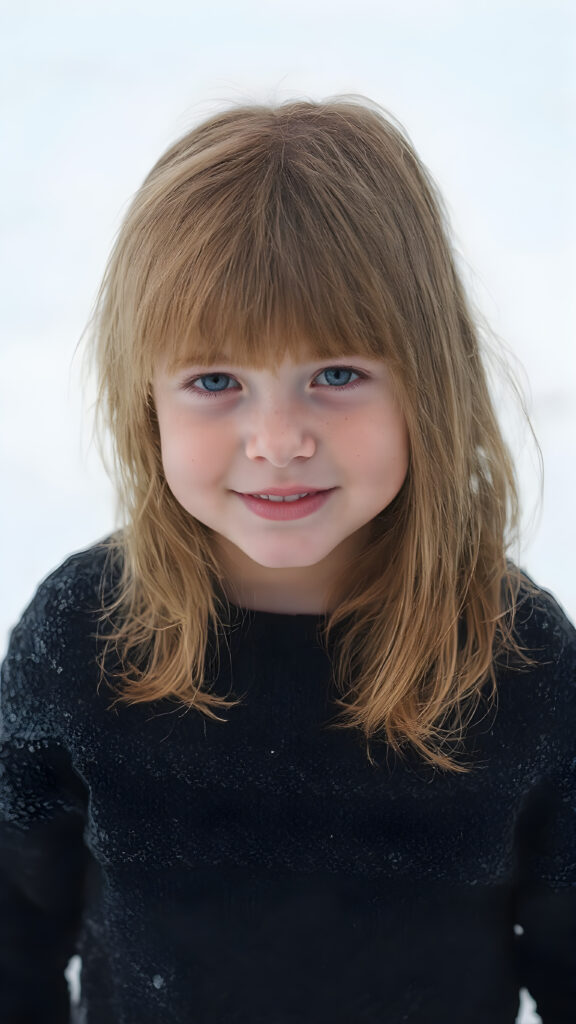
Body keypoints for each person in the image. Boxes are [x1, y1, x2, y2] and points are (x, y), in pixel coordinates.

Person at [0, 97, 574, 1024]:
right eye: (215, 381)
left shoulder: (516, 659)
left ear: (428, 380)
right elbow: (14, 929)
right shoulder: (83, 638)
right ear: (146, 399)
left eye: (336, 375)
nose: (277, 440)